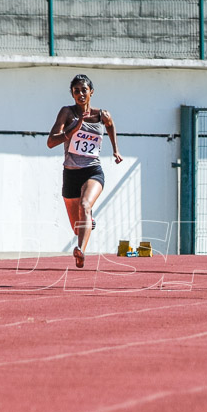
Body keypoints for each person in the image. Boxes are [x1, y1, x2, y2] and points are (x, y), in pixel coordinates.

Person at [46, 74, 122, 268]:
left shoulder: (101, 115)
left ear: (91, 92)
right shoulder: (67, 113)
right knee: (76, 226)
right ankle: (86, 225)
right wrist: (73, 129)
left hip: (92, 171)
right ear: (72, 94)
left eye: (84, 90)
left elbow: (111, 126)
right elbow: (51, 142)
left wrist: (115, 150)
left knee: (85, 204)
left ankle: (80, 250)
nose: (80, 94)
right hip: (70, 173)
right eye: (76, 91)